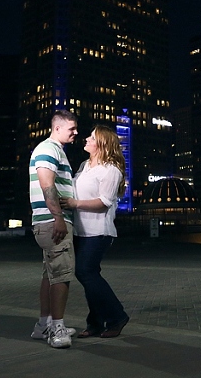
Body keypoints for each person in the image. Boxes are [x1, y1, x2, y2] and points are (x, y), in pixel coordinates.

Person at [60, 125, 130, 338]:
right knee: (90, 275)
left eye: (92, 137)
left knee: (85, 272)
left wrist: (73, 203)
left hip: (99, 232)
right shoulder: (84, 166)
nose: (86, 139)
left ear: (103, 144)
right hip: (81, 231)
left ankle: (117, 316)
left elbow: (103, 202)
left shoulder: (111, 170)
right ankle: (96, 323)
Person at [29, 110, 79, 348]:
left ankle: (44, 325)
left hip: (49, 220)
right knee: (61, 274)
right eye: (72, 128)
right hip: (52, 221)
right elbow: (47, 184)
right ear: (57, 128)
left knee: (50, 274)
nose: (76, 133)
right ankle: (57, 328)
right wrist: (58, 217)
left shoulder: (54, 150)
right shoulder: (48, 149)